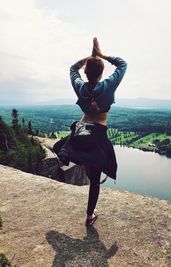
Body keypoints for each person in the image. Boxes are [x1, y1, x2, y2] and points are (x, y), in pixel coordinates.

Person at [53, 38, 127, 226]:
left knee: (67, 146)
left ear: (85, 72)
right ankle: (89, 215)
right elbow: (122, 64)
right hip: (96, 135)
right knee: (95, 179)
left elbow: (72, 69)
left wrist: (89, 58)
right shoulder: (107, 86)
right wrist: (101, 55)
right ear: (101, 73)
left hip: (81, 129)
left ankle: (66, 153)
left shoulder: (80, 87)